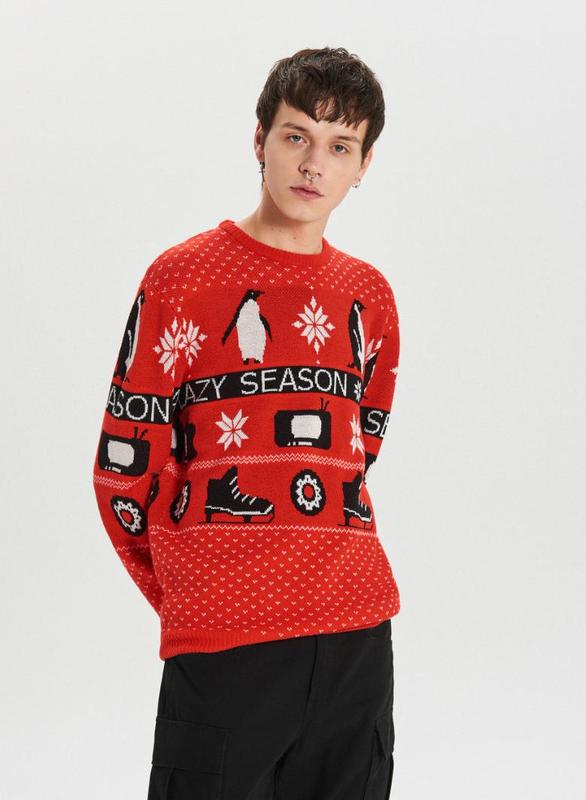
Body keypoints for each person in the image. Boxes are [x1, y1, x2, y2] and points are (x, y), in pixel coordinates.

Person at [92, 45, 401, 800]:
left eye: (340, 147)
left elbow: (358, 447)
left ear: (363, 166)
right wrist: (195, 588)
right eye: (297, 136)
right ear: (259, 139)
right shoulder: (182, 278)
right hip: (225, 634)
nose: (313, 164)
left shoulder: (368, 296)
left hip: (355, 633)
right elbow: (123, 464)